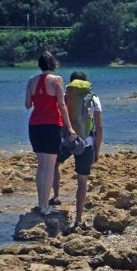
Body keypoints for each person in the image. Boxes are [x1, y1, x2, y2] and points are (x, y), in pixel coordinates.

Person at [25, 51, 75, 216]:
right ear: (53, 64)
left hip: (34, 126)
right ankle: (45, 206)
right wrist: (69, 128)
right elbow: (62, 105)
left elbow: (27, 105)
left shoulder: (31, 81)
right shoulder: (57, 80)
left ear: (40, 65)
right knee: (50, 167)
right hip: (52, 125)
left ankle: (41, 203)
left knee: (41, 166)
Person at [51, 71, 103, 228]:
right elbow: (99, 127)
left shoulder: (65, 95)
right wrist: (97, 150)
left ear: (71, 82)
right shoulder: (93, 98)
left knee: (54, 165)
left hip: (66, 139)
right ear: (86, 83)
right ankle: (78, 219)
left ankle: (56, 196)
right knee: (82, 180)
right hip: (86, 143)